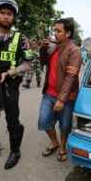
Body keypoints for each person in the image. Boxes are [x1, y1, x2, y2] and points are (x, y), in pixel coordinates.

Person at [0, 0, 33, 169]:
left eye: (9, 13)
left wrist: (10, 72)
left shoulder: (21, 38)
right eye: (2, 13)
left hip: (10, 86)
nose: (6, 16)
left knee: (13, 121)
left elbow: (29, 63)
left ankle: (15, 151)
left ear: (14, 17)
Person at [37, 18, 82, 162]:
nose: (54, 34)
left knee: (65, 124)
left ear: (68, 33)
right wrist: (43, 48)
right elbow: (43, 61)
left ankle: (62, 146)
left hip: (67, 97)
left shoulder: (74, 51)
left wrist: (61, 99)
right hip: (49, 94)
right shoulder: (52, 48)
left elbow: (70, 76)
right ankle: (54, 141)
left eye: (58, 31)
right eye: (54, 30)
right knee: (44, 121)